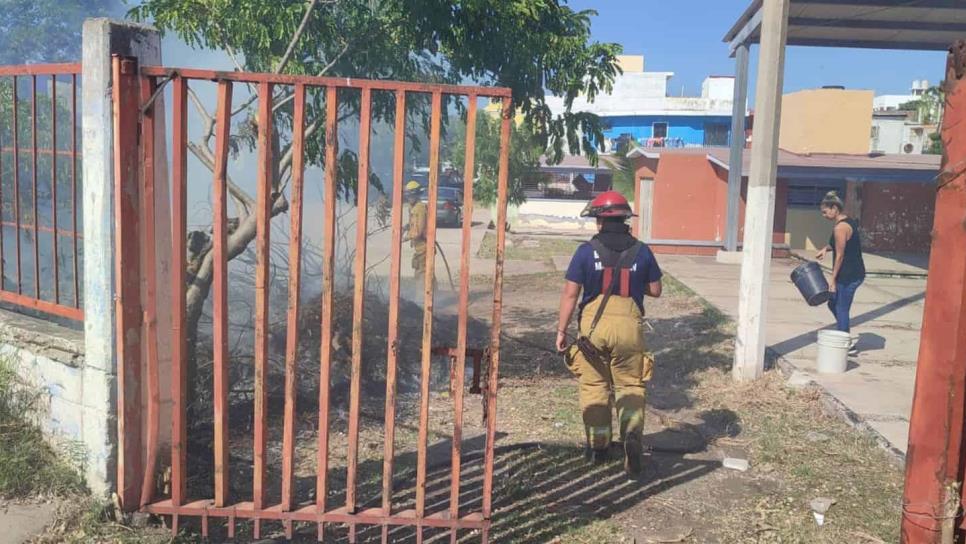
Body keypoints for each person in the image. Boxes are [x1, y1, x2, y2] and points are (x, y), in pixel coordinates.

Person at [555, 191, 663, 477]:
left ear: (600, 220)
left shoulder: (584, 252)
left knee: (594, 387)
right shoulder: (642, 250)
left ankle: (598, 448)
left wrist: (561, 330)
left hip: (593, 330)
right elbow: (655, 290)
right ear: (625, 218)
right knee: (629, 385)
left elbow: (570, 294)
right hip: (629, 329)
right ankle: (631, 436)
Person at [815, 191, 865, 353]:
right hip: (852, 271)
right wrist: (825, 249)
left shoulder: (840, 228)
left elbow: (841, 254)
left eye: (825, 211)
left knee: (842, 307)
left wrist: (832, 278)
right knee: (832, 302)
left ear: (835, 208)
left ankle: (846, 343)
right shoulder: (846, 222)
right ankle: (844, 332)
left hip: (849, 275)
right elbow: (837, 245)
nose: (823, 215)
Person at [403, 180, 428, 282]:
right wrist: (405, 227)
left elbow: (418, 230)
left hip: (424, 246)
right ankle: (433, 294)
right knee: (424, 271)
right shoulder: (413, 207)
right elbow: (414, 223)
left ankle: (422, 296)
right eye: (408, 196)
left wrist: (405, 238)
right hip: (419, 247)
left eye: (411, 196)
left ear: (417, 195)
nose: (409, 198)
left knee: (421, 273)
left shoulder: (420, 208)